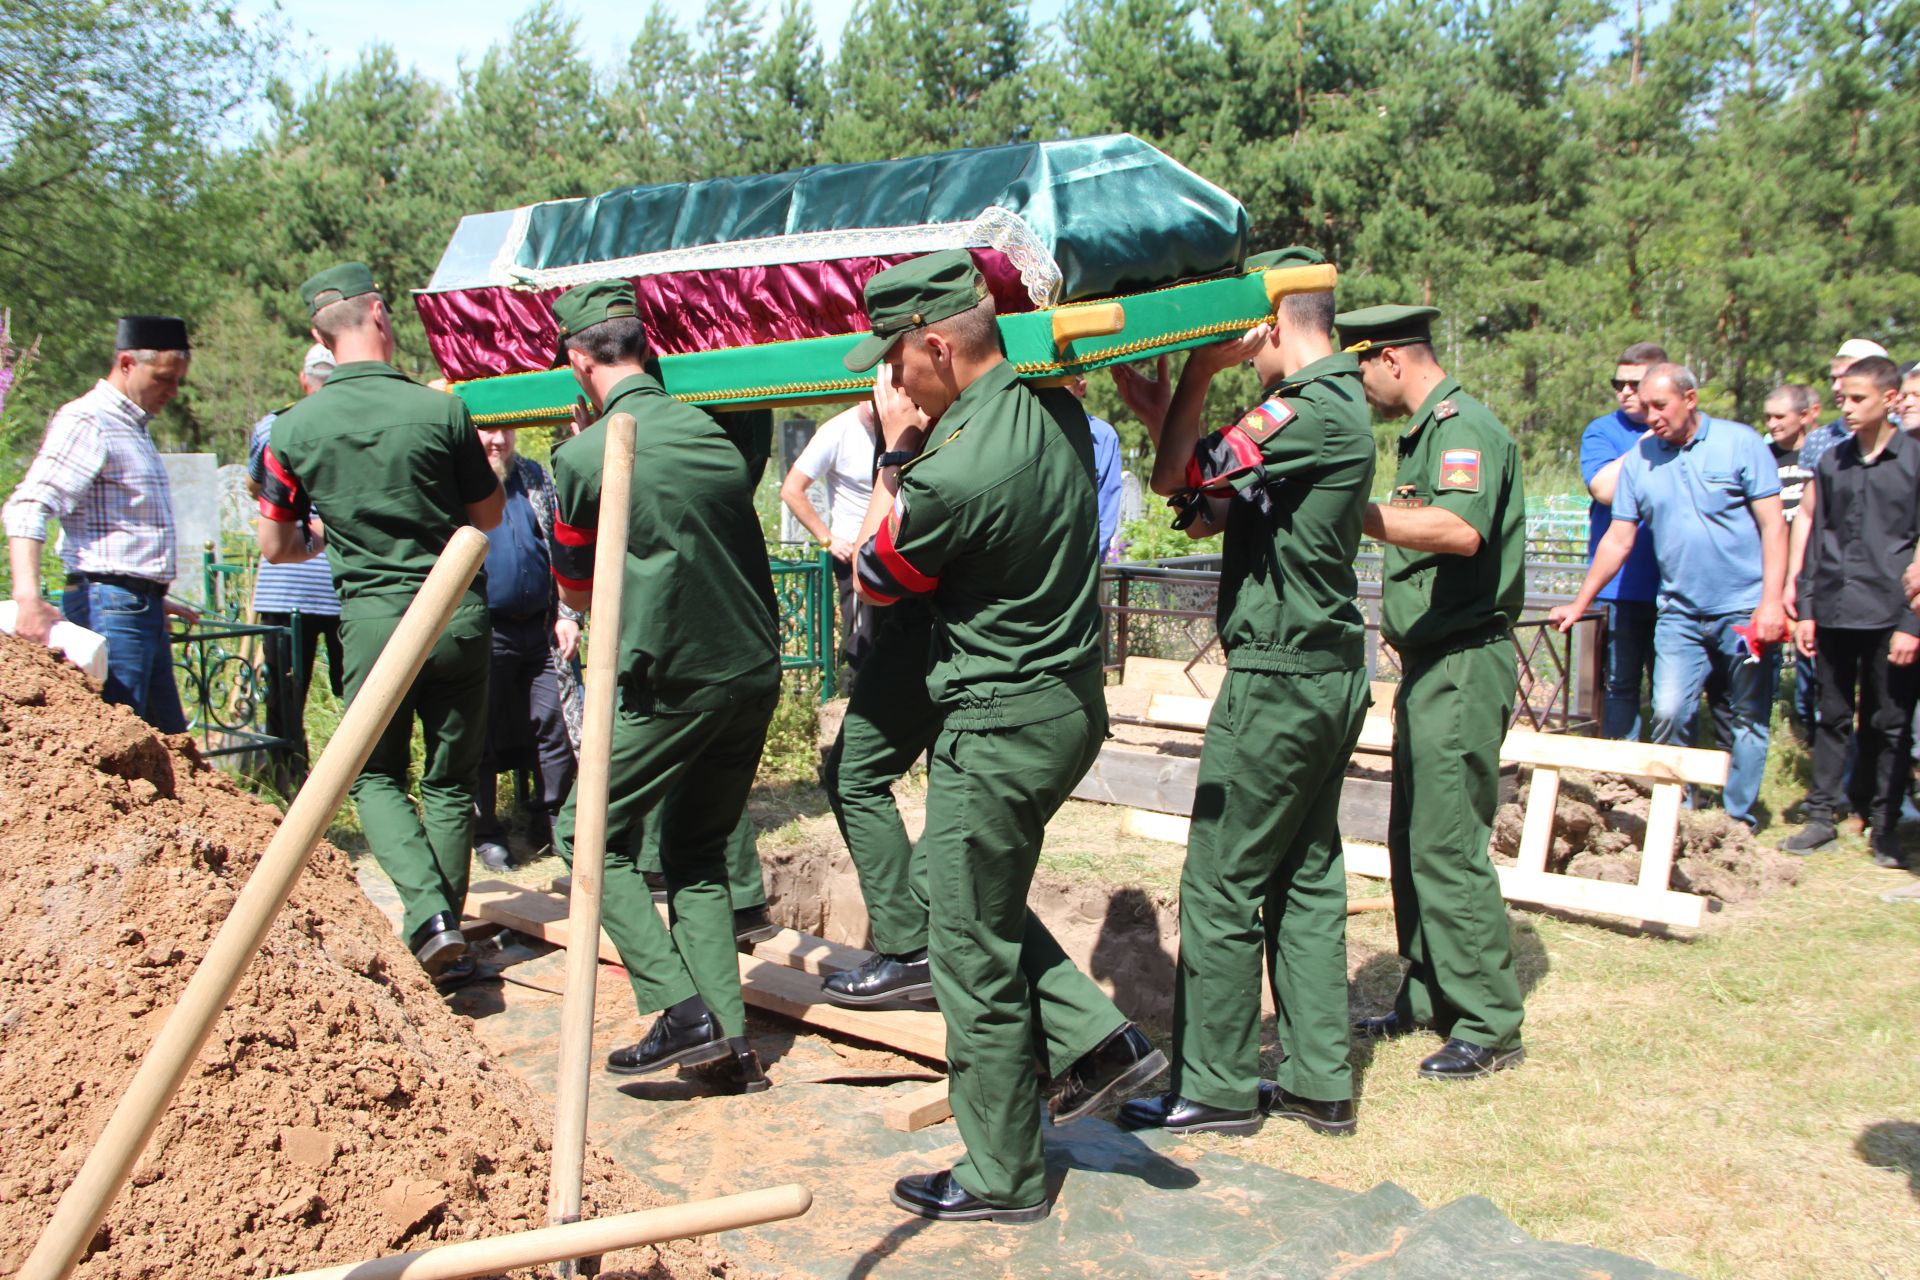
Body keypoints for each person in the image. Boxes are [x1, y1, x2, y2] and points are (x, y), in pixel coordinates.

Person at [846, 250, 1163, 1223]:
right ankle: (1096, 1039)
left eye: (898, 361)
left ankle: (1004, 1173)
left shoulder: (949, 471)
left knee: (967, 946)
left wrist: (894, 451)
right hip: (1066, 703)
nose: (890, 381)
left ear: (939, 346)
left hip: (998, 721)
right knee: (963, 895)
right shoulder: (1059, 411)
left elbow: (874, 577)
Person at [1108, 247, 1371, 1138]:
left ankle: (1215, 1089)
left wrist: (1194, 371)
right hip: (1320, 674)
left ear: (1273, 318)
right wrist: (1162, 409)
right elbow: (1209, 505)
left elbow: (1173, 476)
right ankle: (1315, 1080)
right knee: (1303, 876)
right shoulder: (1329, 409)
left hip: (1282, 678)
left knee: (1221, 884)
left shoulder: (1306, 403)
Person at [546, 279, 781, 1094]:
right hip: (752, 675)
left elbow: (576, 590)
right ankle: (727, 1048)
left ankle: (679, 1008)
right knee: (695, 852)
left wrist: (586, 447)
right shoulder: (714, 437)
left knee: (584, 836)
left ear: (580, 361)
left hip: (672, 681)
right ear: (646, 348)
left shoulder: (581, 460)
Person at [257, 263, 503, 988]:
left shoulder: (292, 428)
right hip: (455, 610)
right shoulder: (443, 412)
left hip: (371, 620)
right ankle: (444, 930)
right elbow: (487, 516)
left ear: (318, 337)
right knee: (453, 781)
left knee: (375, 773)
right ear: (380, 315)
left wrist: (327, 540)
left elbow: (276, 546)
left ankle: (429, 918)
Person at [1336, 304, 1528, 1081]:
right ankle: (1429, 994)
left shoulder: (1463, 428)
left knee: (1449, 843)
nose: (1362, 389)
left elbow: (1459, 529)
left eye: (1360, 371)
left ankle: (1488, 1021)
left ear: (1389, 358)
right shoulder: (1426, 434)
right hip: (1430, 665)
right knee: (1416, 839)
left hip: (1463, 663)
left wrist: (1358, 512)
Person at [1549, 364, 1789, 827]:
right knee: (1668, 709)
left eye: (1661, 405)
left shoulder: (1741, 444)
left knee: (1748, 714)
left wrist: (1773, 602)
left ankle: (1736, 818)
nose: (1651, 414)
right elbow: (1618, 540)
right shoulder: (1641, 461)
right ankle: (1675, 814)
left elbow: (1773, 526)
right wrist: (1581, 602)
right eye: (1646, 405)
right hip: (1678, 611)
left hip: (1744, 608)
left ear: (1690, 398)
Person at [5, 316, 199, 731]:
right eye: (164, 378)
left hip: (131, 604)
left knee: (168, 743)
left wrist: (147, 592)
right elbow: (28, 505)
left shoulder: (133, 426)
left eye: (178, 380)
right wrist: (27, 599)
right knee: (121, 736)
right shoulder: (89, 419)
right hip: (109, 606)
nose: (173, 391)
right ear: (127, 362)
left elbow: (115, 530)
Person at [1781, 356, 1920, 869]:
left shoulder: (1914, 462)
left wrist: (1913, 623)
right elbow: (1817, 537)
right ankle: (1822, 815)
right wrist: (1808, 610)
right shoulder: (1832, 461)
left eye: (1858, 398)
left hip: (1892, 614)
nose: (1848, 405)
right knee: (1830, 715)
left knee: (1889, 720)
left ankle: (1883, 823)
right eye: (1843, 398)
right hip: (1835, 609)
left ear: (1889, 399)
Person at [470, 424, 582, 872]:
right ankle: (486, 834)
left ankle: (555, 821)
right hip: (483, 628)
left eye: (505, 429)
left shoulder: (534, 477)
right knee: (481, 734)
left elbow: (560, 546)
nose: (498, 440)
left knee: (554, 728)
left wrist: (568, 615)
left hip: (540, 629)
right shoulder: (458, 480)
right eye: (486, 431)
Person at [246, 344, 344, 792]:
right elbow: (257, 486)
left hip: (342, 587)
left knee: (362, 696)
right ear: (304, 380)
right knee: (286, 700)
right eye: (317, 377)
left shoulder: (347, 422)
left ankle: (357, 786)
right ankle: (290, 789)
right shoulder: (274, 427)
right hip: (290, 588)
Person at [1579, 342, 1667, 740]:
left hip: (1676, 587)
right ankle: (1617, 777)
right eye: (1619, 383)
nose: (1625, 392)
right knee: (1619, 685)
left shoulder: (1692, 434)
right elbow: (1605, 489)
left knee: (1672, 694)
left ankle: (1678, 782)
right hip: (1620, 586)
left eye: (1635, 384)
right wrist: (1653, 436)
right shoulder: (1604, 431)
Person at [779, 401, 880, 679]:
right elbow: (791, 490)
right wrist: (828, 539)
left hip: (900, 548)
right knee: (864, 641)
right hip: (858, 554)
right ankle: (859, 706)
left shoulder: (907, 420)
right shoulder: (837, 431)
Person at [1766, 383, 1822, 740]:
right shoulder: (1762, 455)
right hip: (1772, 562)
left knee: (1809, 646)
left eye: (1779, 417)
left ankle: (1811, 719)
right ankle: (1765, 708)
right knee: (1767, 644)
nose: (1772, 424)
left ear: (1804, 416)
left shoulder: (1820, 455)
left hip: (1810, 564)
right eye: (1767, 417)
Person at [1070, 374, 1124, 559]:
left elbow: (1106, 513)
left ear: (1081, 388)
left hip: (1081, 565)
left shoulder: (1104, 437)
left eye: (1061, 384)